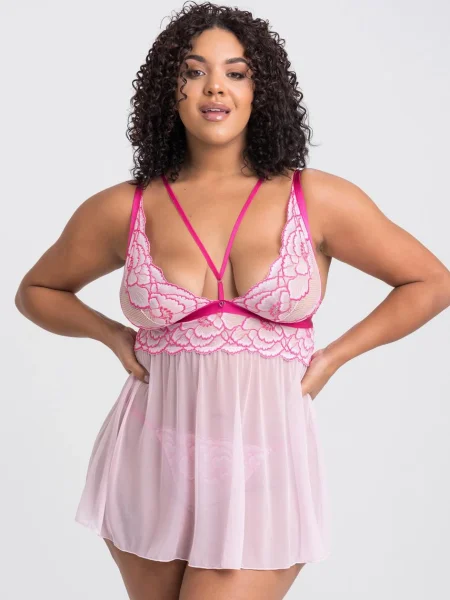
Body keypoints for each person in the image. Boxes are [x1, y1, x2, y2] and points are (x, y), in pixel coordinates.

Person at [14, 2, 450, 599]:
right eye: (194, 71)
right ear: (169, 92)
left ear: (258, 90)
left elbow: (430, 281)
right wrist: (113, 335)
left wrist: (332, 358)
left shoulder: (316, 198)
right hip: (151, 456)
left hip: (265, 460)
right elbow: (36, 291)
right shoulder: (124, 207)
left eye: (236, 72)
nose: (215, 87)